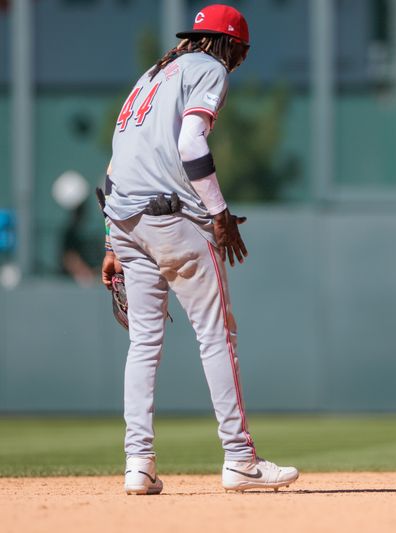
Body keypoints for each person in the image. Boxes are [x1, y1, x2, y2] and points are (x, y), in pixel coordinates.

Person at [100, 4, 298, 495]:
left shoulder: (153, 74)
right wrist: (219, 212)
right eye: (240, 52)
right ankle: (240, 459)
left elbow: (118, 154)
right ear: (228, 44)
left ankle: (138, 464)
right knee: (216, 336)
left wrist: (110, 240)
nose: (239, 61)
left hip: (124, 219)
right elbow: (192, 142)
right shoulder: (208, 67)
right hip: (172, 221)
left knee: (144, 343)